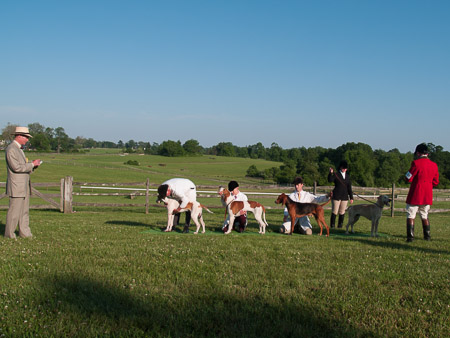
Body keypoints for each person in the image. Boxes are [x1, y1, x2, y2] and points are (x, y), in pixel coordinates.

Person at [4, 127, 41, 239]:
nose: (27, 140)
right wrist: (31, 165)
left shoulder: (19, 149)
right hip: (16, 186)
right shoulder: (11, 149)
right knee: (14, 212)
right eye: (26, 137)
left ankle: (25, 233)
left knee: (24, 212)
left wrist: (33, 166)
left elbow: (21, 167)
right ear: (19, 136)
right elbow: (16, 167)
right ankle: (9, 235)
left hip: (23, 186)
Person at [405, 143, 439, 242]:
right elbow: (436, 182)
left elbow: (408, 178)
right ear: (427, 154)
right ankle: (427, 237)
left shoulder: (416, 163)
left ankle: (410, 238)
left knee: (411, 215)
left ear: (418, 153)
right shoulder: (434, 165)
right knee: (424, 215)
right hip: (427, 194)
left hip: (416, 193)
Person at [328, 160, 354, 228]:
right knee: (335, 211)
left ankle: (340, 225)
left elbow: (349, 188)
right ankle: (332, 225)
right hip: (336, 195)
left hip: (344, 196)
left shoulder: (348, 176)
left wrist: (351, 197)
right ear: (340, 167)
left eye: (345, 168)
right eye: (343, 168)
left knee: (342, 212)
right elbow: (330, 180)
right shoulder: (336, 174)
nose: (344, 169)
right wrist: (330, 173)